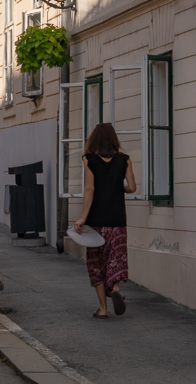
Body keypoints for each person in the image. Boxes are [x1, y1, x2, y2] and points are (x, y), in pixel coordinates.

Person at [74, 123, 137, 318]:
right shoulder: (125, 159)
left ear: (94, 139)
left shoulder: (89, 159)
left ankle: (102, 309)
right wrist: (119, 188)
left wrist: (83, 217)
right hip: (117, 220)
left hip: (96, 221)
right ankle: (115, 288)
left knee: (96, 264)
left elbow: (90, 189)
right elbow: (132, 188)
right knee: (116, 258)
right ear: (114, 139)